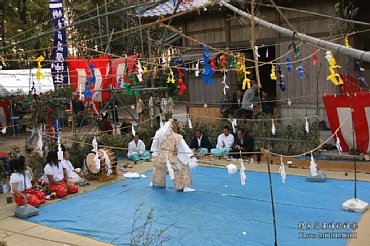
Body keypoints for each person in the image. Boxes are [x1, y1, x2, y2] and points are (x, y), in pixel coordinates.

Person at [150, 119, 197, 192]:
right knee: (183, 166)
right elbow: (184, 147)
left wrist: (154, 154)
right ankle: (184, 187)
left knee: (158, 168)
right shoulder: (177, 136)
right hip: (171, 158)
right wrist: (190, 155)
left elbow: (154, 145)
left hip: (161, 156)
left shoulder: (159, 135)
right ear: (173, 127)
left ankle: (155, 183)